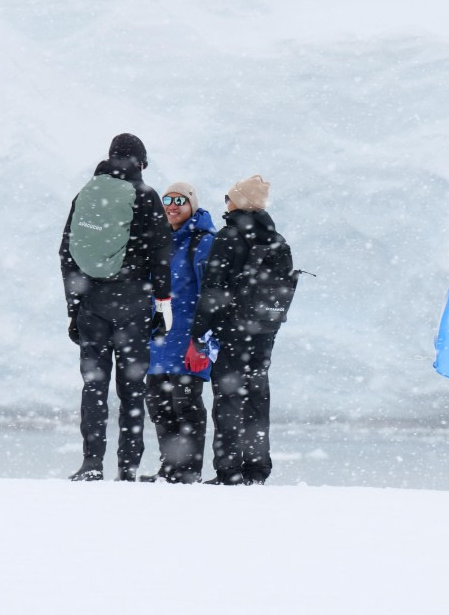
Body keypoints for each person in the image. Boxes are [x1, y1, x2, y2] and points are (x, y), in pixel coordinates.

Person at [59, 133, 172, 482]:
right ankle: (128, 468)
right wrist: (161, 310)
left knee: (94, 386)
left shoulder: (86, 194)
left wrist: (75, 307)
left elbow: (68, 253)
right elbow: (161, 255)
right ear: (140, 162)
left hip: (92, 304)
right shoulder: (145, 195)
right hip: (133, 306)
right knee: (131, 391)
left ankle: (92, 462)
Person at [186, 175, 293, 486]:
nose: (226, 202)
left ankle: (229, 471)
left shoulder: (228, 237)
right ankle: (257, 469)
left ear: (240, 201)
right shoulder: (278, 240)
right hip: (264, 331)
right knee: (257, 399)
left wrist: (198, 332)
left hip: (233, 331)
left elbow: (213, 290)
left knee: (229, 401)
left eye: (229, 197)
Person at [142, 182, 218, 483]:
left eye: (180, 201)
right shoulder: (160, 239)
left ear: (192, 206)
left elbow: (210, 295)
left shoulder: (203, 242)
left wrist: (199, 341)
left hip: (188, 339)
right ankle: (169, 468)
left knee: (185, 405)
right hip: (160, 340)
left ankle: (188, 472)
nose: (172, 206)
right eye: (167, 200)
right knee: (159, 405)